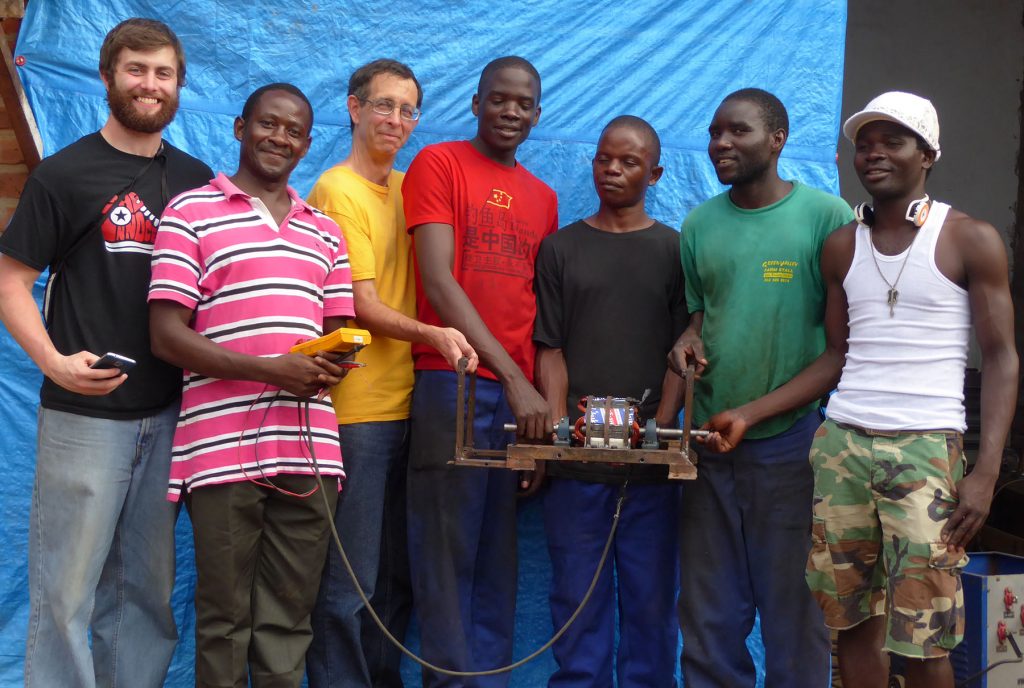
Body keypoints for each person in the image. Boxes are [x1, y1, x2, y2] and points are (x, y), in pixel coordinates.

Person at [703, 91, 1017, 687]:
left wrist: (985, 470)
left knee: (926, 638)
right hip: (842, 445)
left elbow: (1001, 357)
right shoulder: (842, 246)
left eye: (892, 142)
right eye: (864, 145)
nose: (873, 154)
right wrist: (747, 412)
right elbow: (836, 357)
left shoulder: (968, 238)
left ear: (928, 154)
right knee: (850, 625)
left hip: (926, 451)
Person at [0, 18, 211, 688]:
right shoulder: (65, 175)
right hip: (84, 417)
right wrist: (52, 362)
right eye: (136, 70)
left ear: (179, 85)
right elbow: (10, 281)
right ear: (108, 77)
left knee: (144, 595)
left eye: (163, 73)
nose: (150, 85)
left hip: (172, 414)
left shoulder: (196, 180)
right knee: (66, 594)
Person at [148, 83, 353, 687]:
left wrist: (329, 364)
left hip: (309, 449)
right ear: (240, 128)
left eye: (293, 131)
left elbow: (336, 334)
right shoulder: (189, 212)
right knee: (225, 618)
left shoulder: (326, 231)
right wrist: (272, 369)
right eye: (268, 124)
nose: (279, 138)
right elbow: (165, 336)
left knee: (289, 620)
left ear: (308, 145)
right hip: (219, 450)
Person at [667, 88, 852, 687]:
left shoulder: (827, 218)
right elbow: (703, 317)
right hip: (708, 447)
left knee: (794, 613)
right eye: (716, 131)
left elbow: (840, 350)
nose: (721, 143)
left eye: (738, 132)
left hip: (789, 446)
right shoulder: (699, 225)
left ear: (777, 140)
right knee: (709, 616)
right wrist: (686, 342)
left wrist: (752, 412)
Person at [305, 59, 477, 688]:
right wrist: (435, 334)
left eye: (408, 110)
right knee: (350, 581)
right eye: (383, 106)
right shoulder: (337, 189)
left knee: (397, 579)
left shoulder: (409, 188)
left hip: (412, 404)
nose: (395, 121)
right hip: (358, 411)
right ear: (353, 108)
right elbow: (359, 305)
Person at [402, 55, 558, 687]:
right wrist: (513, 380)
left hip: (519, 405)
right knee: (446, 552)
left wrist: (537, 403)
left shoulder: (544, 198)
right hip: (454, 380)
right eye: (499, 100)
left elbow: (537, 312)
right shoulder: (439, 164)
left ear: (537, 114)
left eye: (523, 103)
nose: (511, 112)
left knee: (498, 553)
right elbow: (438, 281)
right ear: (475, 103)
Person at [533, 115, 687, 687]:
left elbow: (682, 350)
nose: (613, 171)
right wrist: (557, 432)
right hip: (576, 467)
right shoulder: (561, 249)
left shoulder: (675, 251)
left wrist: (659, 431)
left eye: (628, 162)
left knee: (651, 605)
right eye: (604, 159)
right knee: (576, 603)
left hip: (651, 473)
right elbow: (550, 349)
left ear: (655, 173)